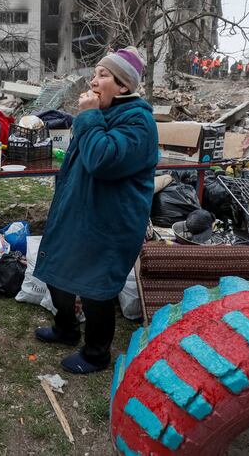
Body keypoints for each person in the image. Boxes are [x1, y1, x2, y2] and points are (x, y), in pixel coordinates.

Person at [32, 46, 158, 374]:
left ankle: (97, 354)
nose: (94, 79)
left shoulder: (138, 121)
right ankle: (66, 328)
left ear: (124, 87)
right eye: (96, 72)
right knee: (58, 269)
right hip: (78, 211)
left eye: (104, 74)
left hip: (109, 221)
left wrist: (88, 117)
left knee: (95, 286)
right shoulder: (103, 113)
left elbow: (102, 161)